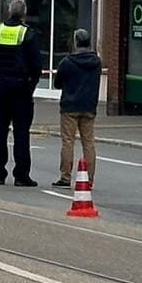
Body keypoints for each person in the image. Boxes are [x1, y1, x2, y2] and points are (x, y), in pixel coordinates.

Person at [0, 0, 41, 187]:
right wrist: (30, 85)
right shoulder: (27, 34)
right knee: (21, 132)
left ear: (9, 12)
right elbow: (36, 66)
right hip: (21, 88)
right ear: (23, 14)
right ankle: (21, 175)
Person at [53, 28, 103, 188]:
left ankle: (65, 177)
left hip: (70, 106)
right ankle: (89, 179)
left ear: (75, 42)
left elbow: (57, 83)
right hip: (89, 106)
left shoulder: (67, 62)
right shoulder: (96, 62)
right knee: (88, 142)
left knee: (68, 141)